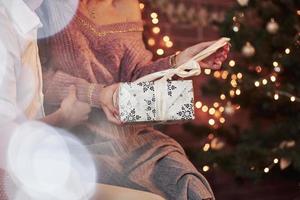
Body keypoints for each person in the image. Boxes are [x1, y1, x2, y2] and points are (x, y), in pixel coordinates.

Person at [40, 0, 230, 199]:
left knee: (187, 183)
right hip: (74, 136)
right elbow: (36, 77)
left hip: (131, 136)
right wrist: (98, 94)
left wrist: (178, 62)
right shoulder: (50, 5)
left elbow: (136, 76)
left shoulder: (128, 5)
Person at [0, 0, 164, 199]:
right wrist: (68, 114)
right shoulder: (31, 16)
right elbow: (7, 138)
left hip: (120, 133)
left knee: (177, 173)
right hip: (70, 140)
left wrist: (179, 63)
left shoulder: (25, 19)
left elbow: (136, 76)